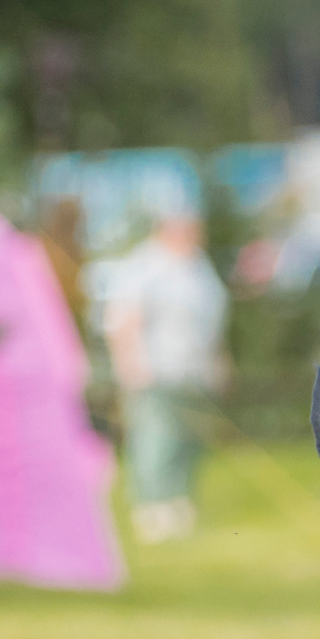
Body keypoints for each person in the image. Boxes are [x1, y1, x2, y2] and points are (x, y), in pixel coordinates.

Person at [102, 206, 230, 543]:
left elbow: (212, 320)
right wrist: (129, 361)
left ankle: (177, 501)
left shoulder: (198, 267)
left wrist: (219, 360)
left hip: (194, 372)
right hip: (154, 370)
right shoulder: (143, 266)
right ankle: (151, 507)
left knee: (188, 439)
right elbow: (123, 316)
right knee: (155, 438)